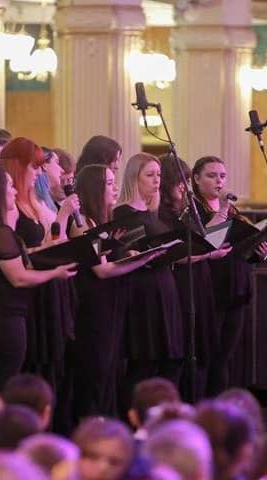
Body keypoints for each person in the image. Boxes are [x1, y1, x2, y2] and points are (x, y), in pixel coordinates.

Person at [0, 164, 77, 390]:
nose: (15, 192)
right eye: (10, 186)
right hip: (1, 321)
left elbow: (16, 258)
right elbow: (19, 277)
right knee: (2, 384)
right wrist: (54, 273)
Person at [70, 164, 164, 420]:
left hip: (113, 300)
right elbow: (101, 270)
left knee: (111, 368)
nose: (114, 188)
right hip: (95, 305)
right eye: (109, 183)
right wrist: (144, 258)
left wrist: (127, 251)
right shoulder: (82, 223)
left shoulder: (104, 221)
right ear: (94, 189)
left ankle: (105, 421)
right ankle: (90, 425)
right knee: (96, 369)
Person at [0, 138, 79, 432]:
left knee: (55, 370)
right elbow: (19, 254)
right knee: (36, 369)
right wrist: (61, 218)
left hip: (51, 288)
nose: (38, 173)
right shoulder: (11, 206)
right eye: (33, 167)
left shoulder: (35, 201)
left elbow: (51, 240)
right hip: (32, 293)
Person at [191, 156, 267, 394]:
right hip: (211, 290)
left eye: (222, 176)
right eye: (212, 175)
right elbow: (209, 242)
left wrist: (260, 252)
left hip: (236, 289)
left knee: (225, 356)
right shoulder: (195, 210)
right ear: (196, 179)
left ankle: (219, 410)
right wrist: (224, 208)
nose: (219, 181)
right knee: (209, 355)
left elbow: (240, 247)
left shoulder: (234, 211)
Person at [113, 153, 184, 413]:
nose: (157, 181)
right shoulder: (124, 211)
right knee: (144, 362)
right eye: (150, 175)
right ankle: (133, 416)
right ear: (134, 177)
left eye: (158, 175)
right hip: (142, 290)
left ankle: (159, 414)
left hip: (163, 286)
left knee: (168, 359)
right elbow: (131, 251)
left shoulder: (151, 211)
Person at [158, 154, 230, 402]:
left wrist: (223, 213)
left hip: (200, 281)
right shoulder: (165, 214)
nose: (184, 187)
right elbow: (179, 254)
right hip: (182, 284)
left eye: (185, 181)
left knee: (204, 350)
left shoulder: (186, 210)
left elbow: (206, 241)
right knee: (187, 352)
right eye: (180, 181)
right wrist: (209, 254)